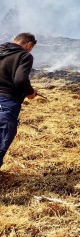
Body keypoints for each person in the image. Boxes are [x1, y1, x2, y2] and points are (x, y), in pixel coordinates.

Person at [0, 33, 38, 169]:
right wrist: (30, 92)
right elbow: (20, 79)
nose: (30, 50)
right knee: (3, 135)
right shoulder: (24, 55)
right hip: (6, 100)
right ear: (28, 45)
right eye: (31, 48)